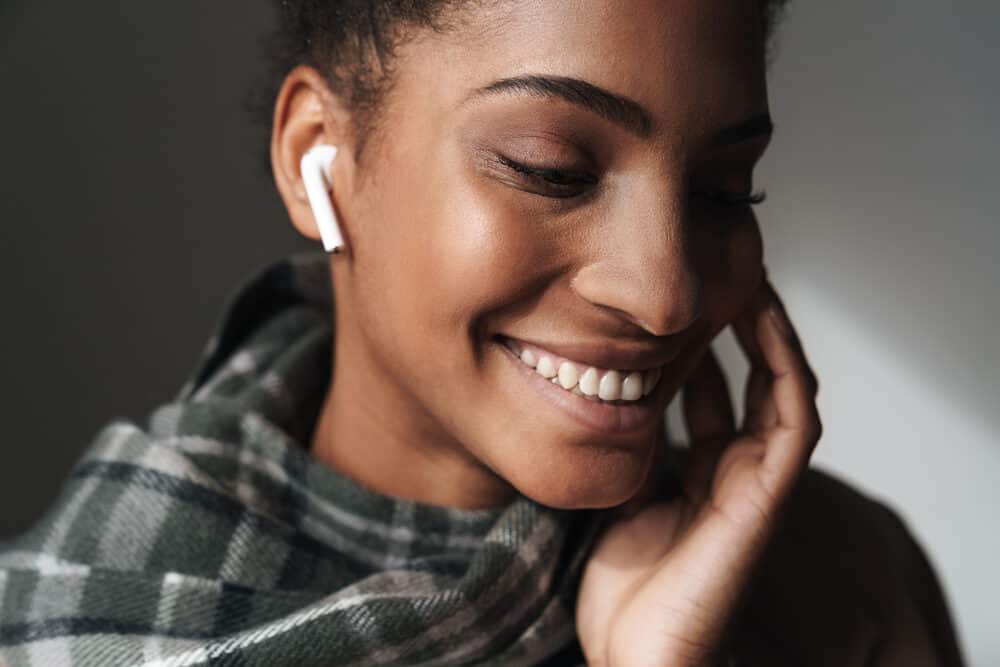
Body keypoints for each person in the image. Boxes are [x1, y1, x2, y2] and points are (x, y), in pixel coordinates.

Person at [0, 1, 966, 665]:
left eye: (724, 190)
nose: (665, 294)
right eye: (549, 168)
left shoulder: (841, 582)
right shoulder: (86, 616)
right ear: (316, 162)